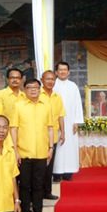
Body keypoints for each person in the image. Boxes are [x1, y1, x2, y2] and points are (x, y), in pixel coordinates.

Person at [10, 78, 53, 212]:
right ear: (25, 90)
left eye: (36, 87)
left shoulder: (46, 105)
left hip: (41, 152)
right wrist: (15, 150)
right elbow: (13, 128)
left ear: (39, 89)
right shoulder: (18, 106)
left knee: (38, 185)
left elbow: (50, 127)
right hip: (23, 153)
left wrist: (50, 148)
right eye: (29, 87)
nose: (33, 90)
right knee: (25, 185)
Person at [52, 61, 84, 182]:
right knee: (58, 146)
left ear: (68, 72)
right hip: (55, 122)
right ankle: (56, 173)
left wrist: (77, 121)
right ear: (56, 72)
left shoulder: (73, 86)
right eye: (60, 70)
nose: (63, 72)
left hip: (70, 121)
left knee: (70, 146)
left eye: (65, 69)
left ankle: (68, 172)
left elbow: (77, 105)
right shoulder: (53, 86)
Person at [40, 70, 65, 200]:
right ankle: (38, 192)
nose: (50, 82)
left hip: (53, 136)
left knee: (49, 166)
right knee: (39, 166)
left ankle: (47, 192)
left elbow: (61, 115)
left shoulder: (57, 96)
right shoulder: (37, 95)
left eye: (52, 79)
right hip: (39, 137)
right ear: (41, 79)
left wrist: (63, 132)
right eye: (47, 79)